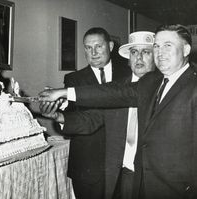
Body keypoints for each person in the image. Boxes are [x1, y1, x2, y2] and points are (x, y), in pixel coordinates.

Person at [38, 24, 197, 199]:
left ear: (186, 49)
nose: (160, 52)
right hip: (127, 177)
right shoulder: (151, 84)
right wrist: (62, 100)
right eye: (157, 46)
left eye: (167, 45)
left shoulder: (187, 86)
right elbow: (103, 101)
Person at [40, 31, 155, 199]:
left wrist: (63, 92)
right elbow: (94, 118)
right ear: (128, 58)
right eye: (134, 52)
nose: (138, 58)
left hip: (150, 174)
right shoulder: (118, 86)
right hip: (120, 170)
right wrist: (58, 117)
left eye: (145, 52)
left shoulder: (160, 86)